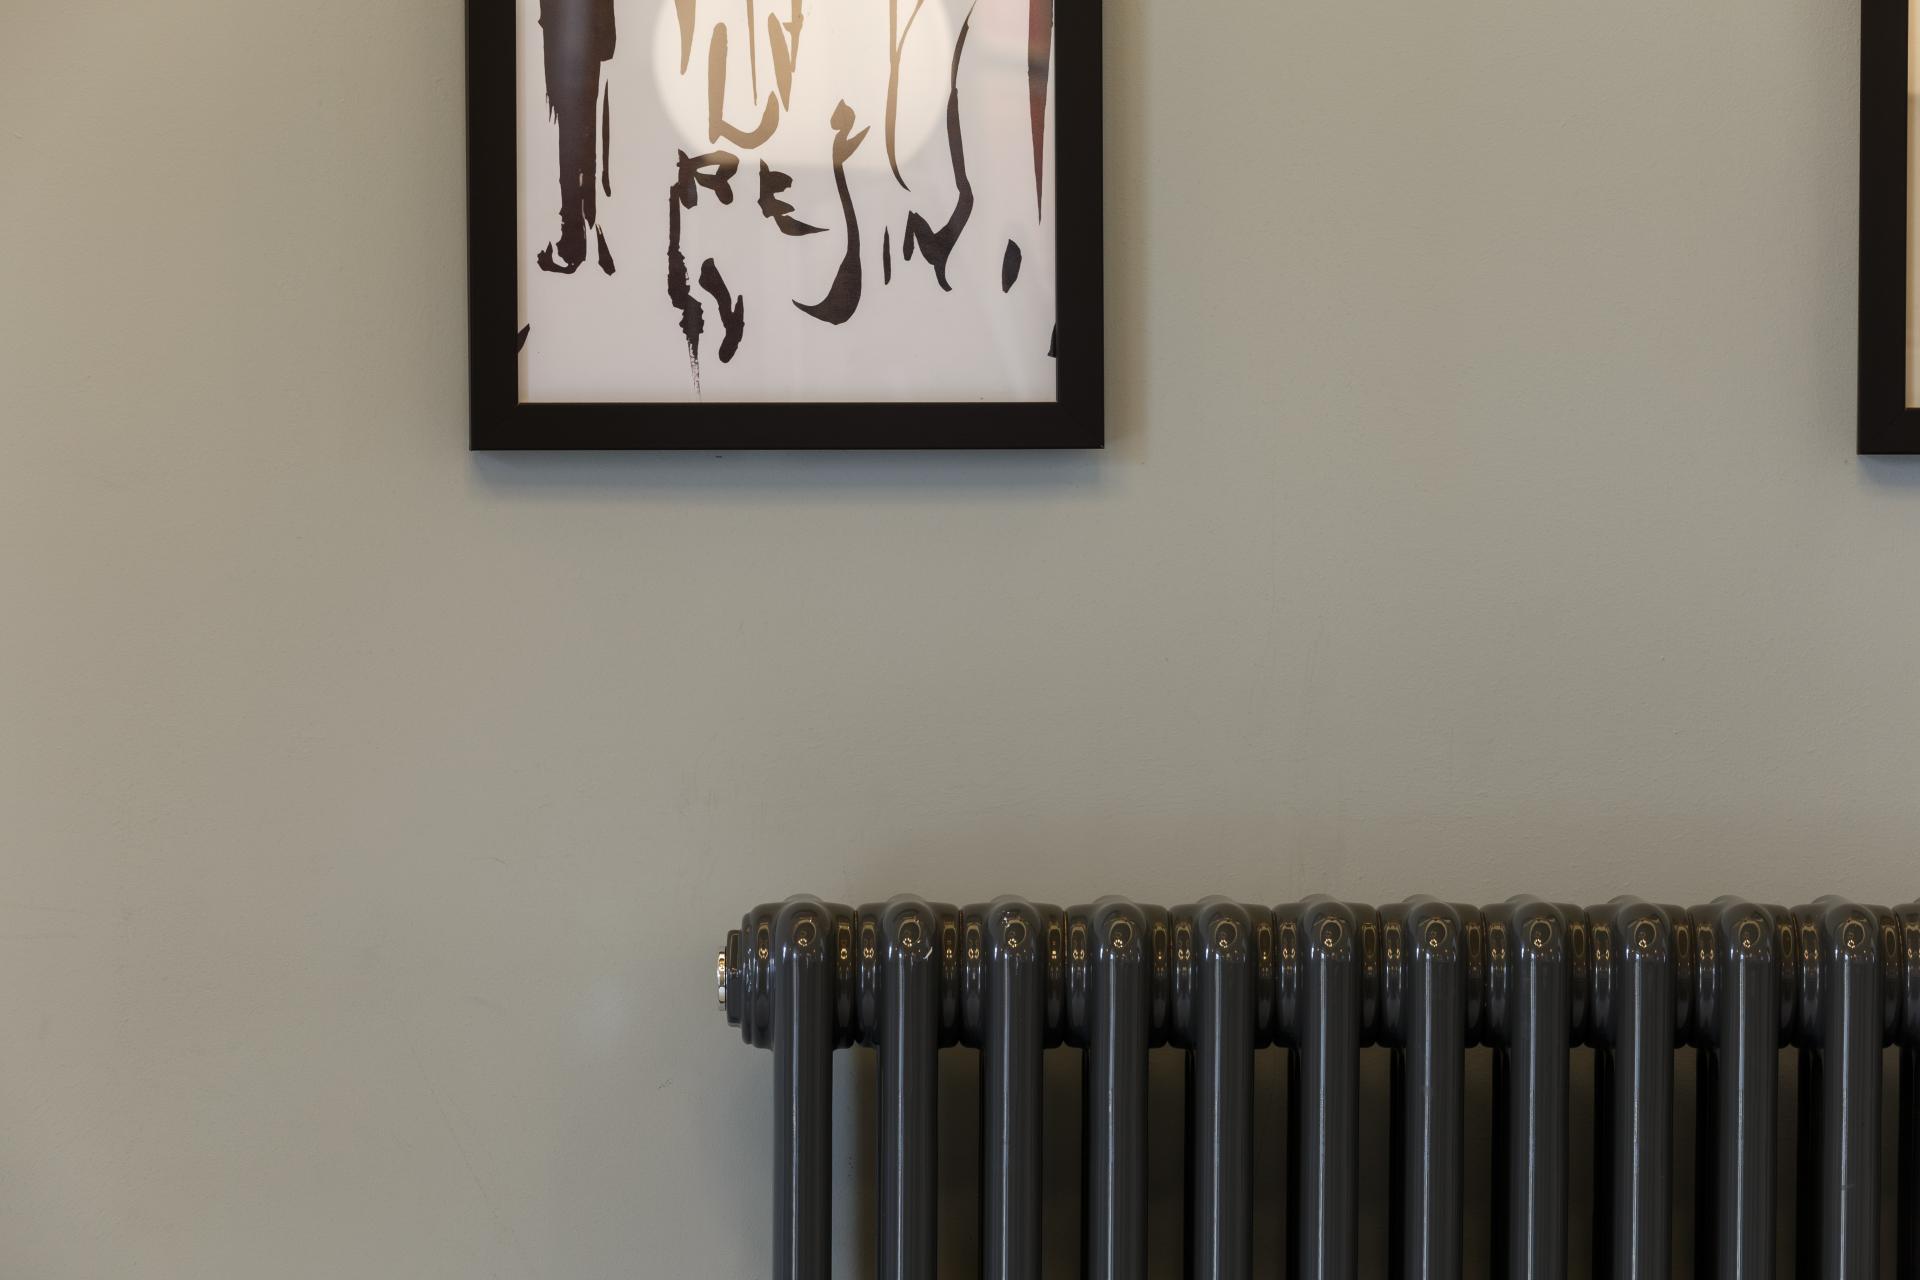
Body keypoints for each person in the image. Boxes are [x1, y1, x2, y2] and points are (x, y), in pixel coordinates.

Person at [537, 0, 617, 275]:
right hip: (572, 42)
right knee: (577, 136)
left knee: (576, 136)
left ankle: (579, 229)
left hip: (578, 42)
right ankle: (579, 228)